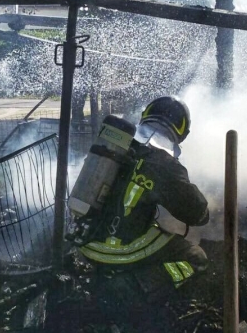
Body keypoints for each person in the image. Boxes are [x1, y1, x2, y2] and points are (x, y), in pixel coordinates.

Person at [75, 96, 210, 331]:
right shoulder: (165, 163)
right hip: (119, 252)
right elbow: (198, 214)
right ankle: (129, 288)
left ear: (145, 115)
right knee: (195, 258)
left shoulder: (115, 144)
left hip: (85, 243)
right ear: (182, 132)